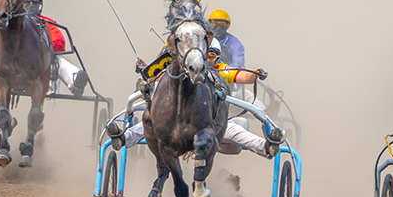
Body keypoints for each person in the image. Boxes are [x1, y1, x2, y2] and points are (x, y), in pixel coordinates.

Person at [106, 39, 279, 158]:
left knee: (238, 132)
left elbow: (243, 77)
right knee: (149, 122)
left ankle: (266, 147)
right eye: (205, 56)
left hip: (211, 121)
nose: (205, 61)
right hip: (175, 120)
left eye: (211, 56)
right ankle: (122, 138)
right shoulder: (177, 72)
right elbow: (152, 74)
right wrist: (145, 68)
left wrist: (254, 75)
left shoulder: (218, 70)